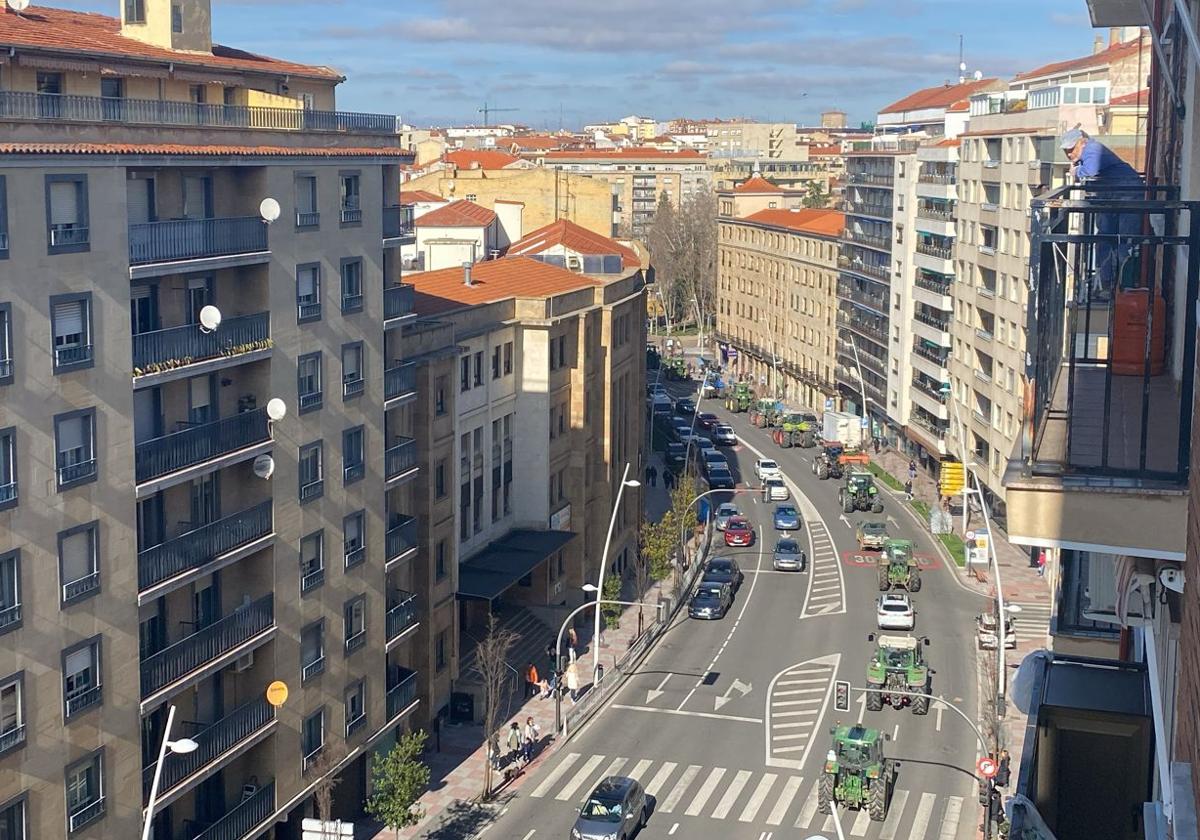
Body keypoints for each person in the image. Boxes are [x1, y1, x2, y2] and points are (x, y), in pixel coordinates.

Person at [1061, 127, 1145, 301]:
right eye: (1066, 151)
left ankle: (1124, 285)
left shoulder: (1093, 150)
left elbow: (1088, 172)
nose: (1069, 154)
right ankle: (1107, 284)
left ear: (1082, 143)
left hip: (1128, 195)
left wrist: (1075, 171)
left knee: (1124, 240)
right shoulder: (1088, 152)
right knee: (1106, 238)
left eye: (1071, 149)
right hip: (1112, 197)